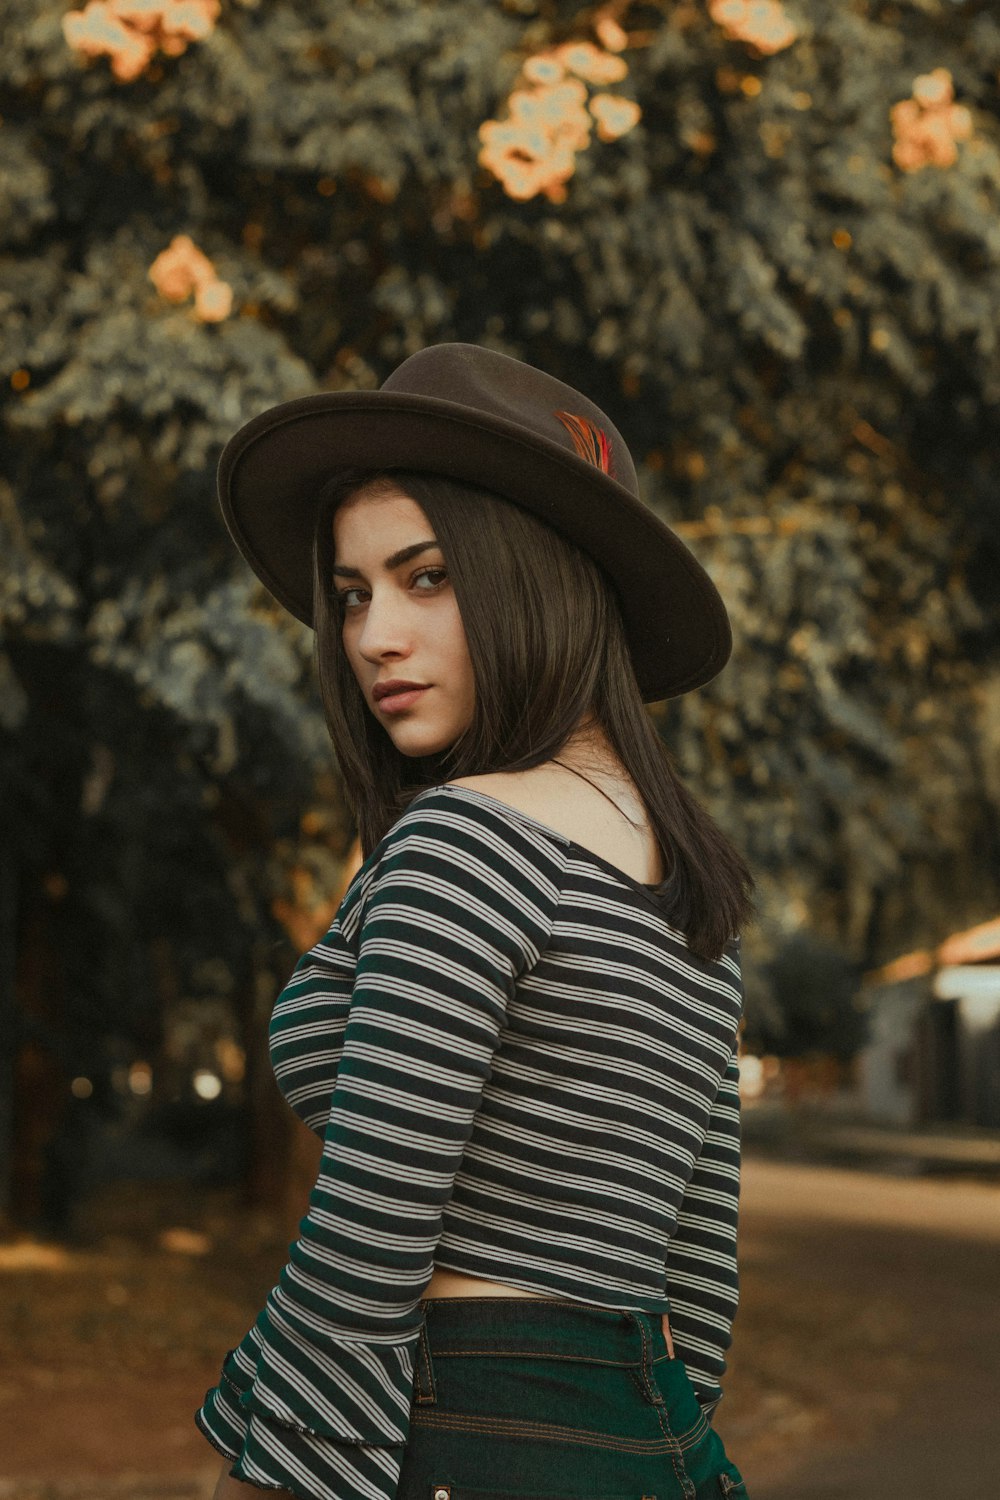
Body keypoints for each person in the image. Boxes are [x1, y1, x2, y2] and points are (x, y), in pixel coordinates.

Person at [195, 342, 757, 1500]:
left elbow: (371, 1221)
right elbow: (698, 1281)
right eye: (352, 594)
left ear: (536, 576)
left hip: (458, 1429)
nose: (370, 638)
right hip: (642, 1439)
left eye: (427, 577)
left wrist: (278, 1465)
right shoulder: (696, 890)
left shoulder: (469, 841)